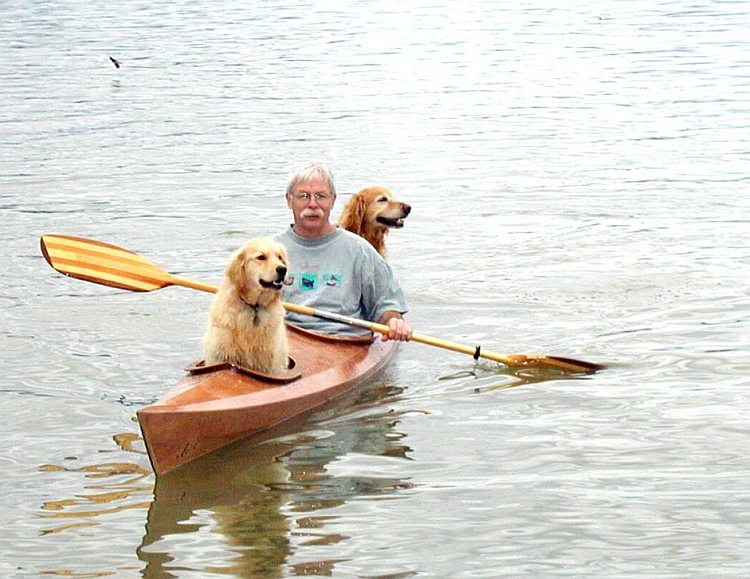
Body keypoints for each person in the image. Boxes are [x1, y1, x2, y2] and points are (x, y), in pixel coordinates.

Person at [273, 162, 412, 342]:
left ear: (333, 200)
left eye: (321, 196)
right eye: (303, 196)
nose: (312, 204)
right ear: (289, 200)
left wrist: (394, 322)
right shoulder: (268, 250)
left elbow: (387, 306)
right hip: (284, 339)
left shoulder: (360, 251)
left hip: (342, 342)